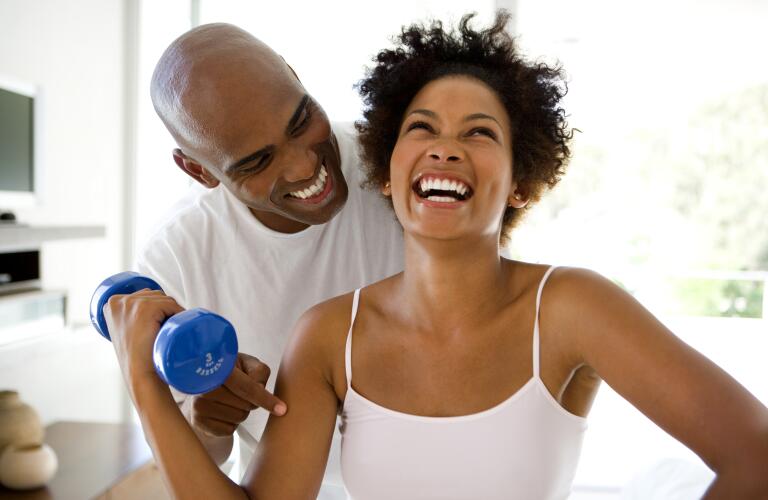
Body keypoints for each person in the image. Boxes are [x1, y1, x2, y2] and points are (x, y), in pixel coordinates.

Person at [107, 12, 768, 499]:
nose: (307, 166)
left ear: (521, 181)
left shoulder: (573, 307)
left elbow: (755, 455)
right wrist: (151, 387)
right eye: (422, 128)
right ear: (389, 170)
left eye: (478, 133)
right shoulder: (321, 334)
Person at [132, 22, 404, 495]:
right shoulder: (174, 258)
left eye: (300, 122)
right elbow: (197, 461)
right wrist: (206, 420)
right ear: (198, 170)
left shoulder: (401, 167)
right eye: (256, 162)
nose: (304, 166)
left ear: (295, 76)